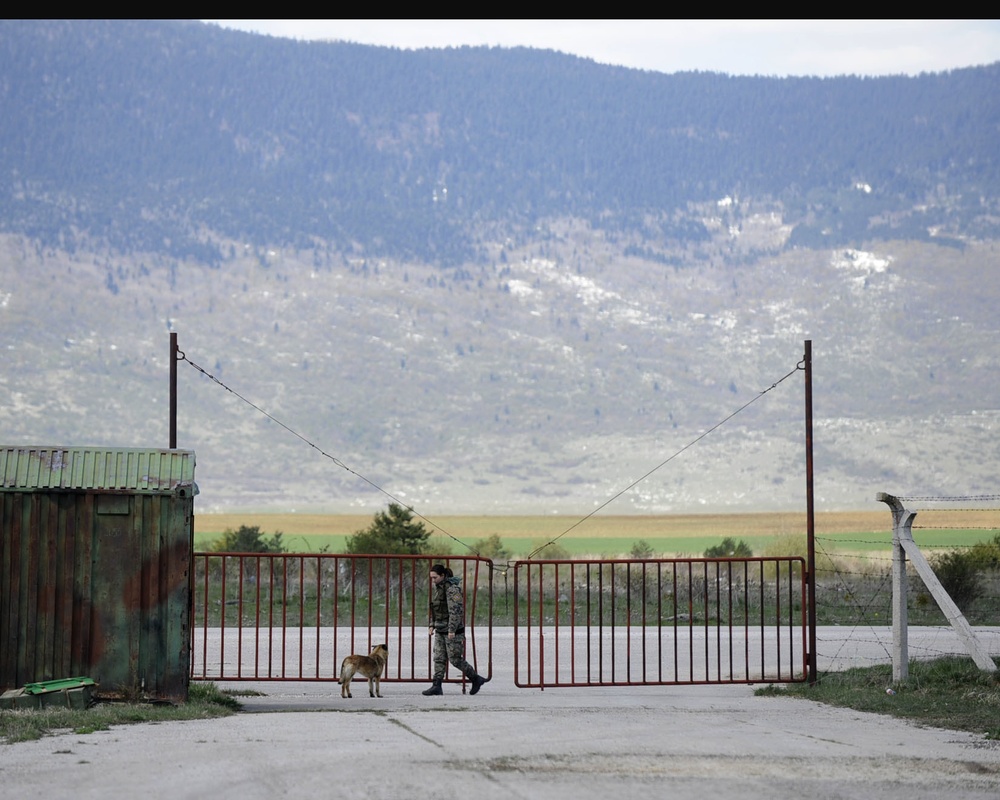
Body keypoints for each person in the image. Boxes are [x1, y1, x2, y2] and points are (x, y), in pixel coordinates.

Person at [422, 564, 489, 696]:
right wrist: (432, 625)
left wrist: (452, 629)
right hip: (441, 629)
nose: (433, 580)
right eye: (431, 578)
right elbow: (435, 609)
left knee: (455, 659)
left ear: (442, 576)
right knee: (439, 658)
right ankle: (437, 685)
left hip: (452, 631)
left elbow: (456, 611)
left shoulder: (452, 590)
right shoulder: (438, 589)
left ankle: (476, 678)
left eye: (435, 577)